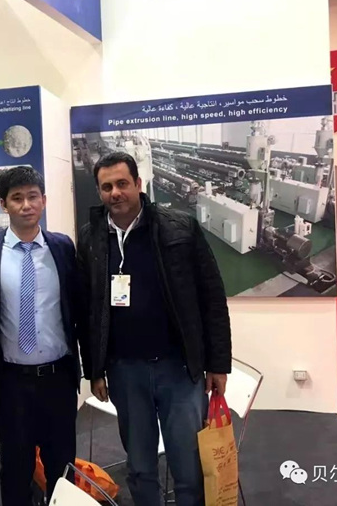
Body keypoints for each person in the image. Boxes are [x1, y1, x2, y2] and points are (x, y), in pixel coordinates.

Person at [76, 152, 232, 506]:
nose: (115, 193)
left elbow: (212, 296)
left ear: (138, 184)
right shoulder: (91, 238)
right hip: (124, 371)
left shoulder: (180, 228)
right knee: (140, 466)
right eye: (106, 187)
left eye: (122, 184)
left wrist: (218, 363)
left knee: (187, 464)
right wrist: (94, 370)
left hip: (179, 369)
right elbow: (87, 310)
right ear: (99, 192)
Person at [0, 167, 82, 505]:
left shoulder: (62, 248)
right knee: (15, 469)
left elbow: (77, 307)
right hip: (10, 382)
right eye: (17, 198)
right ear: (3, 204)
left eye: (33, 196)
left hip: (58, 379)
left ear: (44, 200)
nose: (26, 205)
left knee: (62, 467)